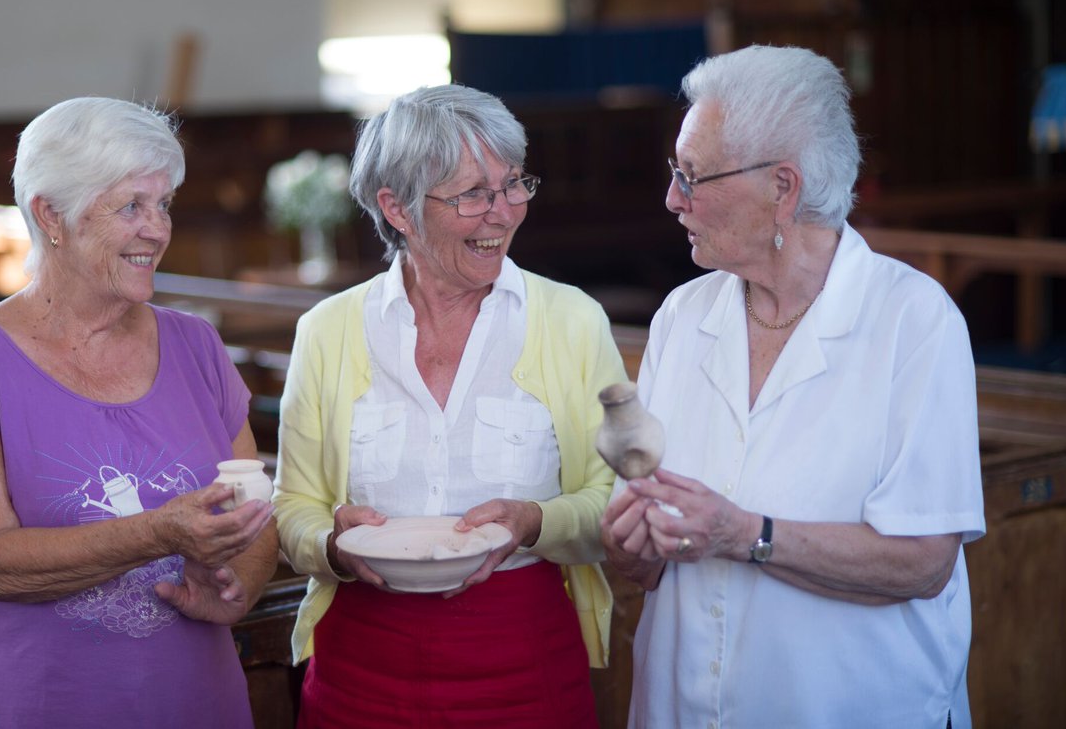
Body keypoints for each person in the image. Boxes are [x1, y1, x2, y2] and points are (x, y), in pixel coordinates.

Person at [601, 45, 985, 729]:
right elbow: (646, 559)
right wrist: (631, 546)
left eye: (692, 176)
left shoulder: (912, 321)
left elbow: (924, 561)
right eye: (674, 172)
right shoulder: (682, 318)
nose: (671, 198)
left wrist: (747, 532)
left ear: (783, 187)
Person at [0, 97, 278, 727]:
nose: (157, 229)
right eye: (131, 205)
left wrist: (238, 584)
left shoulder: (195, 344)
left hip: (194, 700)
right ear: (52, 214)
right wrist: (158, 533)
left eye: (163, 205)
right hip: (39, 703)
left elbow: (253, 511)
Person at [272, 83, 628, 728]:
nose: (503, 212)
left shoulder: (573, 320)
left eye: (514, 184)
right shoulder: (327, 331)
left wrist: (534, 520)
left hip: (524, 661)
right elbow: (292, 508)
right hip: (362, 671)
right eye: (472, 194)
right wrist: (331, 542)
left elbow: (616, 500)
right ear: (398, 209)